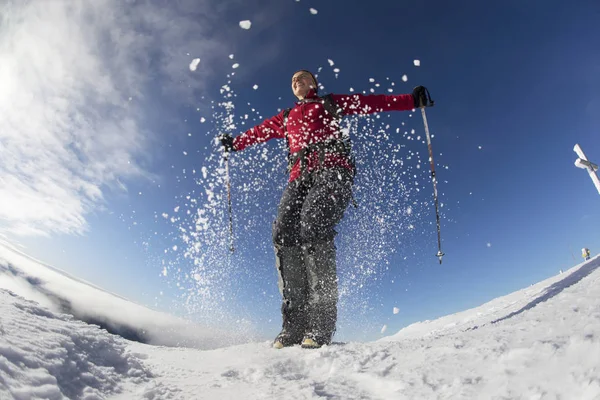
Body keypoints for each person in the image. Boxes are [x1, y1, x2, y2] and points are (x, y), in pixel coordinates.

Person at [219, 70, 431, 349]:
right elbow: (259, 132)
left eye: (303, 78)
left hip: (333, 171)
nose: (297, 81)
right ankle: (294, 327)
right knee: (284, 233)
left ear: (314, 84)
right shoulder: (286, 117)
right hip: (299, 177)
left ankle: (320, 325)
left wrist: (410, 101)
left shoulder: (329, 103)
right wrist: (235, 143)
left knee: (313, 223)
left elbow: (372, 102)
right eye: (293, 79)